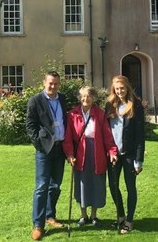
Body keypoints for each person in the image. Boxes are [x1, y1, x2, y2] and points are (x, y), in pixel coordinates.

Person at [63, 86, 118, 228]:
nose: (85, 99)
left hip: (97, 152)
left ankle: (94, 216)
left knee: (96, 183)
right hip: (80, 153)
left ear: (94, 98)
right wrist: (69, 154)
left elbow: (107, 135)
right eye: (82, 96)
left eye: (88, 96)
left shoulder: (100, 114)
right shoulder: (73, 114)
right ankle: (83, 215)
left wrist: (112, 152)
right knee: (82, 183)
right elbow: (68, 136)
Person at [26, 71, 68, 241]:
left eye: (56, 83)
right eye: (50, 83)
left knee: (55, 185)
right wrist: (39, 144)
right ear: (44, 83)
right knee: (42, 186)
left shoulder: (62, 99)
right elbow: (30, 124)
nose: (53, 86)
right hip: (44, 149)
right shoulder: (35, 100)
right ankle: (38, 224)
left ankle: (50, 216)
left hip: (60, 148)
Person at [105, 75, 146, 234]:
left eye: (122, 88)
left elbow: (140, 135)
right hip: (114, 154)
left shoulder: (135, 105)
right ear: (113, 89)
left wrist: (138, 160)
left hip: (129, 154)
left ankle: (129, 220)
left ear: (127, 88)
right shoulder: (109, 105)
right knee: (113, 186)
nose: (120, 91)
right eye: (117, 88)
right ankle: (121, 215)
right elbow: (106, 130)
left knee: (130, 187)